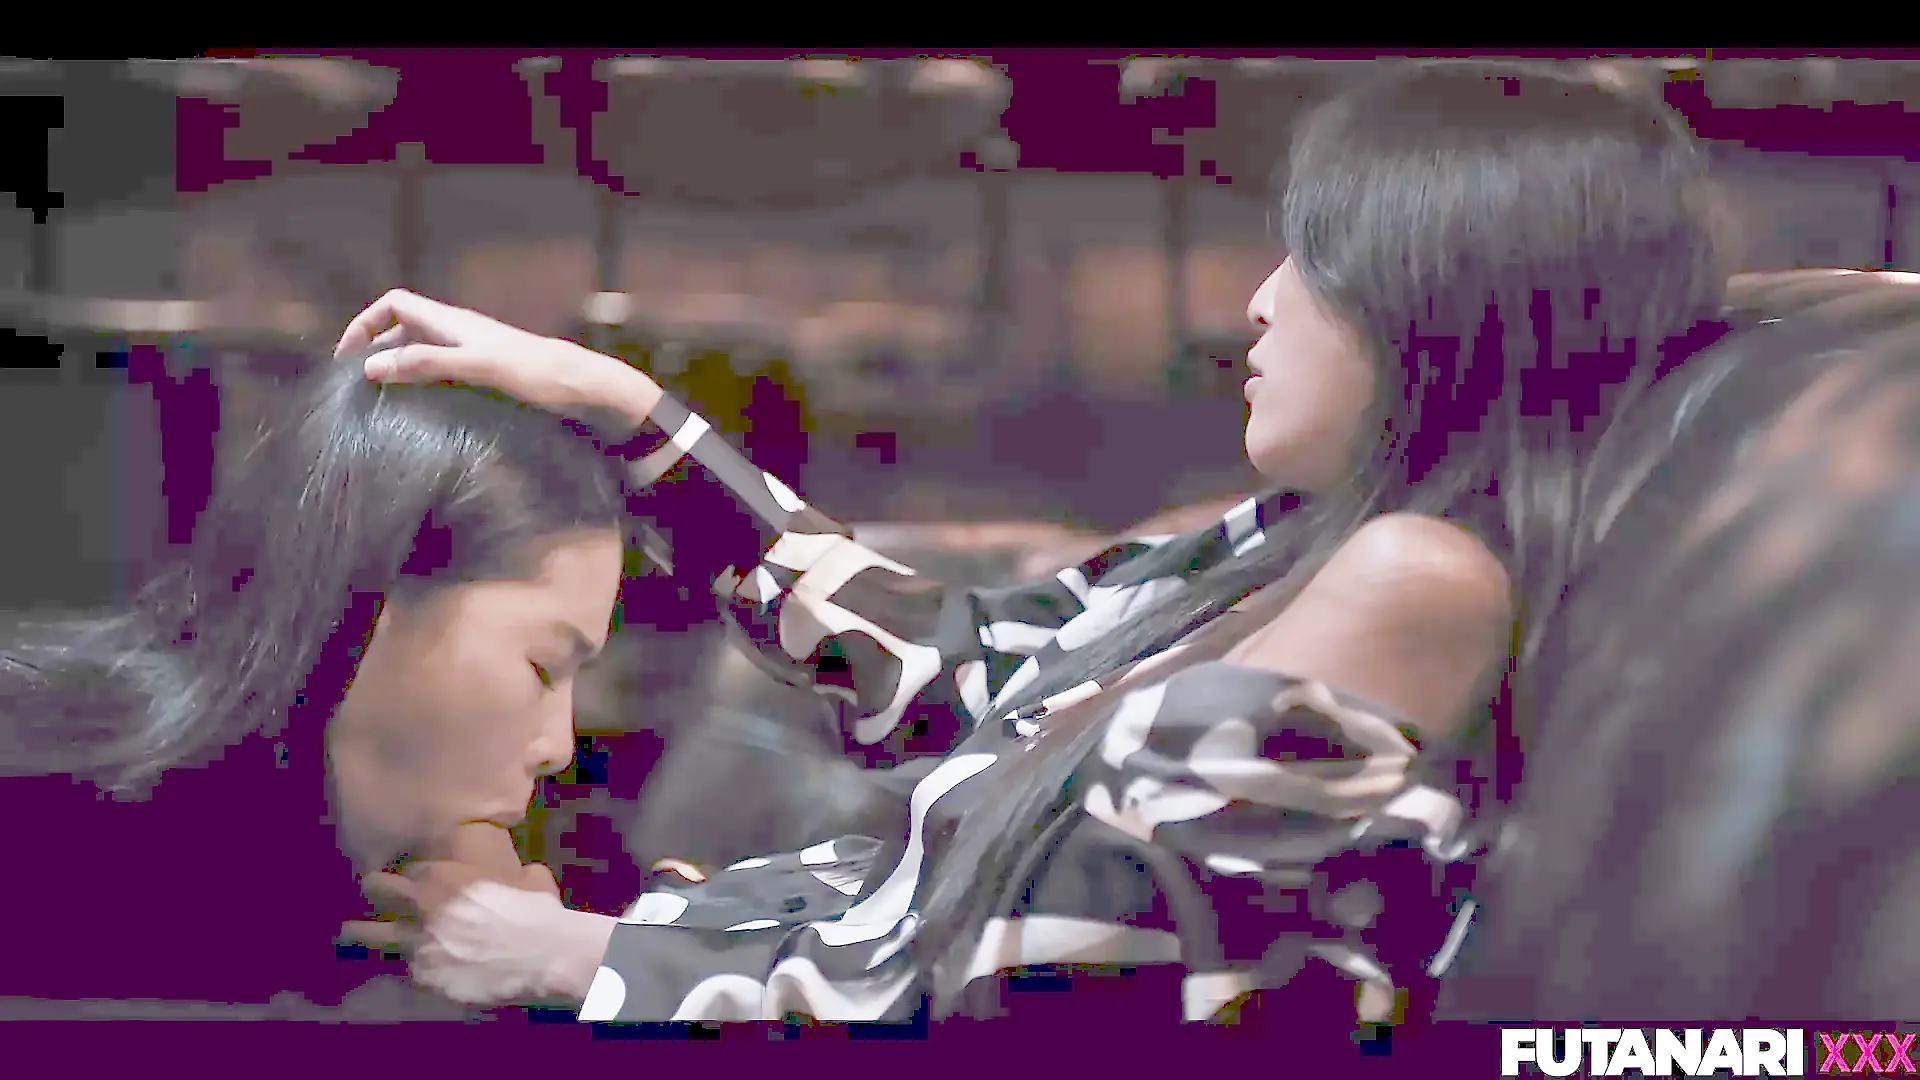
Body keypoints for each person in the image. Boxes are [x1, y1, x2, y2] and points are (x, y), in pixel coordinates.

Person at [334, 58, 1733, 1028]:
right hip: (757, 950)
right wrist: (631, 412)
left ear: (1434, 292)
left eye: (1313, 259)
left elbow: (1044, 997)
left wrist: (582, 957)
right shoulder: (1299, 541)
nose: (1260, 303)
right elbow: (965, 671)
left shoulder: (1412, 585)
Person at [0, 354, 636, 1009]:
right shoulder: (50, 831)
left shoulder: (380, 906)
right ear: (373, 600)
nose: (557, 748)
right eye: (542, 666)